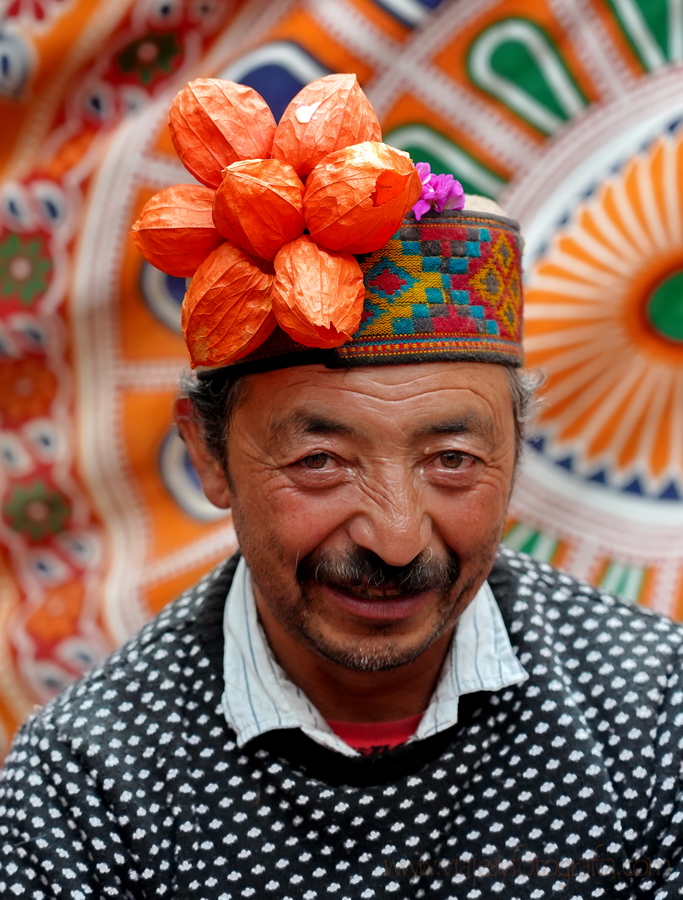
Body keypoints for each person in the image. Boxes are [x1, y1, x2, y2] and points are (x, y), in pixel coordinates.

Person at [1, 74, 683, 900]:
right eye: (319, 460)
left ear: (516, 450)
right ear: (209, 455)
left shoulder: (651, 718)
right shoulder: (86, 788)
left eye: (452, 460)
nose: (395, 539)